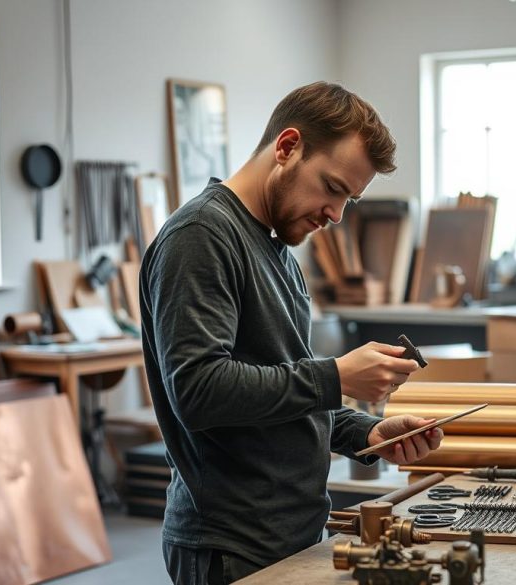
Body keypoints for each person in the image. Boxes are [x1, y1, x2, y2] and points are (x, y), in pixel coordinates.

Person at [140, 81, 443, 585]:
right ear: (286, 147)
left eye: (351, 199)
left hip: (293, 532)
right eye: (333, 188)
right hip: (233, 545)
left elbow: (279, 388)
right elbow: (198, 391)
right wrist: (337, 376)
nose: (336, 215)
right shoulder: (201, 237)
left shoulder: (277, 251)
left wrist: (363, 433)